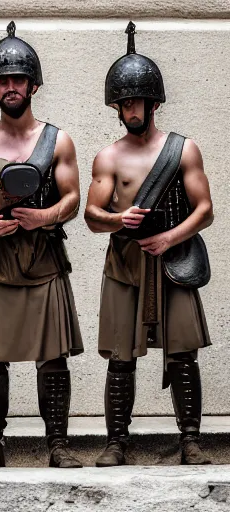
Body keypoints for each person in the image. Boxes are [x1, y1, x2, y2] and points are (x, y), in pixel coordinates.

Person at [84, 21, 213, 466]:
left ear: (154, 102)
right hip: (125, 262)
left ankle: (191, 440)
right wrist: (120, 218)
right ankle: (117, 441)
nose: (131, 108)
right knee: (121, 357)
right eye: (124, 102)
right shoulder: (108, 156)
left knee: (182, 353)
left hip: (173, 260)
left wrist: (169, 237)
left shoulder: (184, 150)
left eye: (137, 100)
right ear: (116, 108)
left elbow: (205, 209)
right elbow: (92, 215)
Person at [0, 21, 84, 470]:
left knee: (53, 356)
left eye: (19, 80)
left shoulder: (58, 140)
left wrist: (46, 216)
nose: (11, 88)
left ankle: (58, 445)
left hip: (45, 258)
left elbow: (72, 198)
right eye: (3, 81)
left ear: (33, 85)